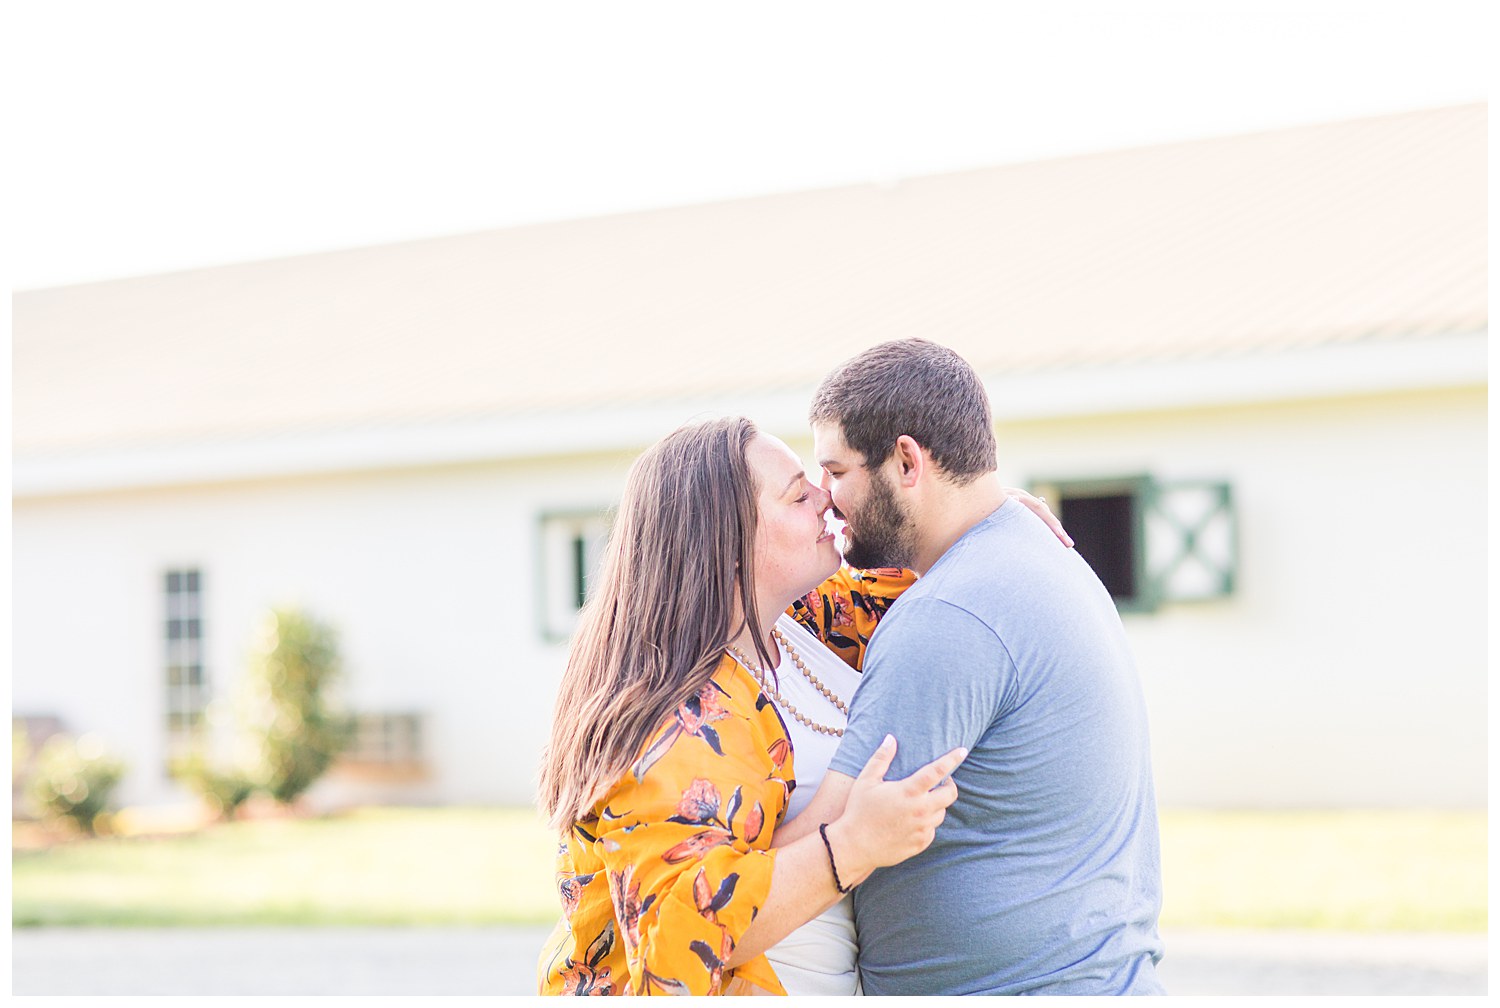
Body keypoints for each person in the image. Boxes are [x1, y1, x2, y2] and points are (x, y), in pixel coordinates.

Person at [535, 417, 968, 995]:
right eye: (797, 493)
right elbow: (678, 933)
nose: (825, 496)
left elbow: (923, 567)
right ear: (728, 542)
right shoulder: (673, 716)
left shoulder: (798, 623)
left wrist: (982, 513)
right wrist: (853, 845)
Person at [786, 338, 1165, 995]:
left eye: (836, 470)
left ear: (906, 460)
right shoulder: (1034, 556)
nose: (825, 498)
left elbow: (828, 833)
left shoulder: (949, 614)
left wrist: (666, 885)